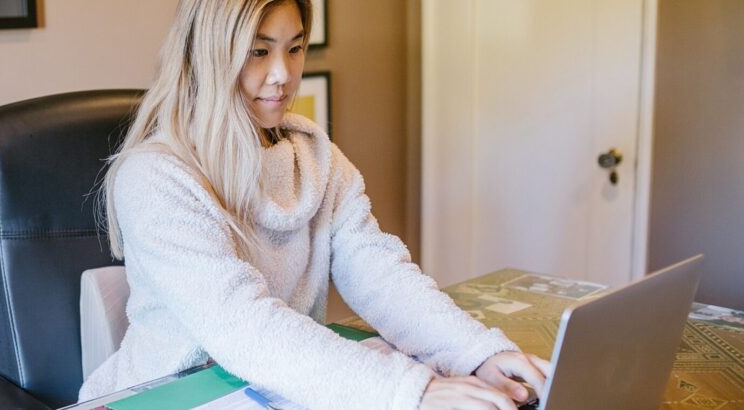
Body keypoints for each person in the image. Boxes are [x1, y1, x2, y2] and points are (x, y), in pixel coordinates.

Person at [82, 1, 550, 408]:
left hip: (279, 382)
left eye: (295, 47)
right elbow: (243, 325)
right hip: (172, 394)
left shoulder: (314, 156)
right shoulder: (155, 177)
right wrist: (408, 393)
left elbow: (380, 275)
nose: (284, 75)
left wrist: (474, 354)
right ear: (209, 52)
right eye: (259, 51)